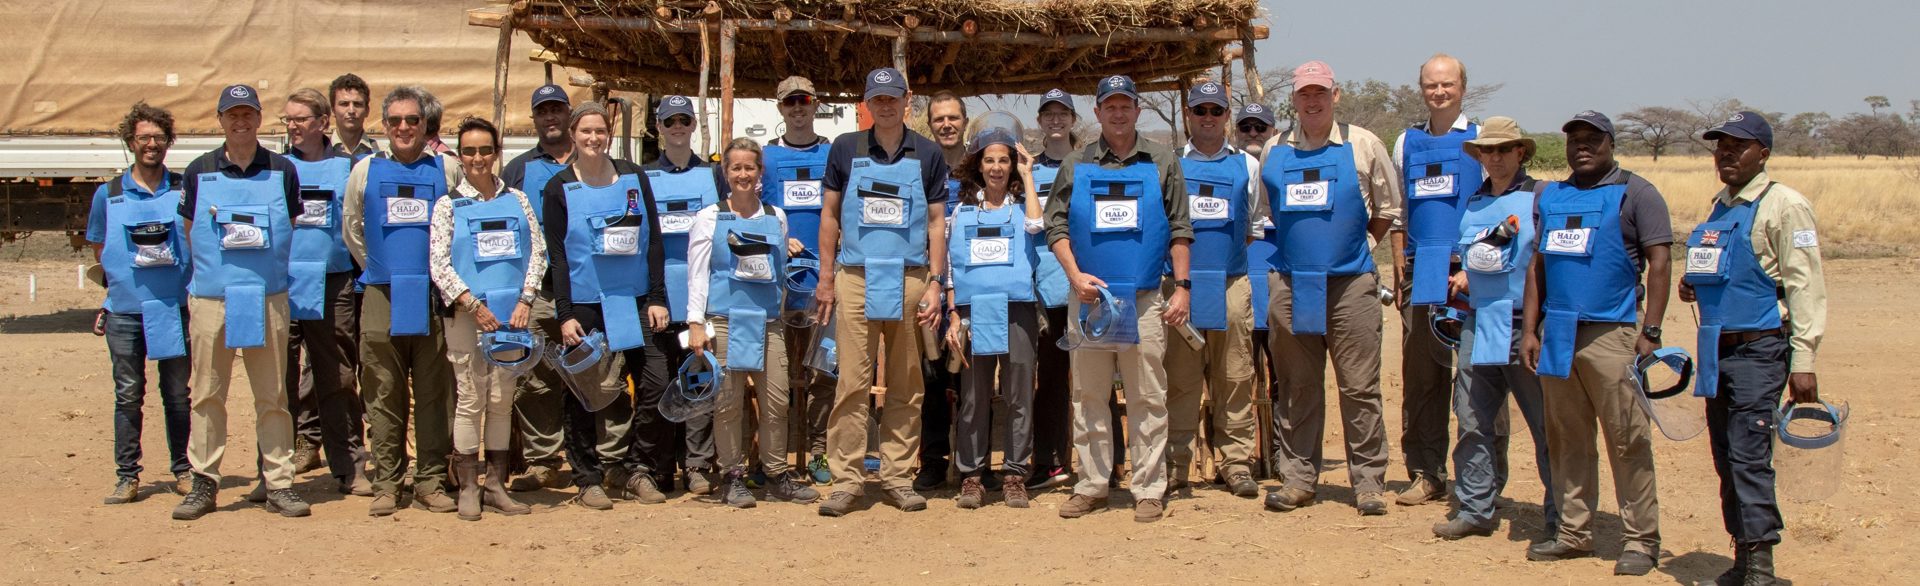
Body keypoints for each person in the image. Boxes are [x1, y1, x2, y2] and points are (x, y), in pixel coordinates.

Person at [1520, 110, 1672, 576]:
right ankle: (1573, 531)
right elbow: (1538, 267)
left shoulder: (1637, 193)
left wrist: (1651, 331)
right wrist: (1530, 330)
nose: (1582, 147)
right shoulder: (1551, 195)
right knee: (1566, 438)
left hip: (1614, 332)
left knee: (1627, 439)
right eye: (1575, 140)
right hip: (1558, 333)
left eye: (1593, 139)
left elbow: (1661, 262)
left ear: (1611, 144)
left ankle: (1640, 540)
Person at [1683, 112, 1827, 585]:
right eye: (1720, 146)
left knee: (1748, 458)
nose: (1725, 153)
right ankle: (1743, 561)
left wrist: (1803, 360)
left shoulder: (1786, 205)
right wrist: (1694, 284)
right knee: (1725, 458)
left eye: (1738, 146)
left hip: (1760, 351)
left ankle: (1762, 569)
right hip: (1716, 350)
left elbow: (1805, 287)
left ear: (1762, 154)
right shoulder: (1720, 206)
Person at [1043, 74, 1190, 523]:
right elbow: (1055, 225)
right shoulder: (1076, 163)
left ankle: (1149, 489)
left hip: (1143, 299)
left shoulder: (1162, 160)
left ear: (1137, 110)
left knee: (1148, 395)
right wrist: (1074, 276)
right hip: (1090, 300)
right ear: (1098, 112)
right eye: (1111, 106)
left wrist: (1182, 287)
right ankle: (1091, 485)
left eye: (1126, 105)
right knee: (1089, 395)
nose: (1119, 113)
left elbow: (1181, 228)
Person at [1259, 61, 1401, 516]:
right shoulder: (1274, 149)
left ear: (1335, 96)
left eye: (1320, 92)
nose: (1312, 101)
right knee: (1298, 386)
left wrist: (1365, 244)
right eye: (1304, 94)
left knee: (1359, 386)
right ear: (1294, 99)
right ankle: (1298, 480)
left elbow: (1388, 208)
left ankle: (1369, 484)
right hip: (1292, 283)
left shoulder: (1364, 144)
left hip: (1350, 285)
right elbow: (1265, 213)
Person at [814, 67, 950, 517]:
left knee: (907, 384)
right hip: (856, 277)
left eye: (893, 98)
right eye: (878, 99)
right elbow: (829, 216)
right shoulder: (845, 148)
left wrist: (936, 281)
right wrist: (826, 278)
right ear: (868, 103)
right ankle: (847, 482)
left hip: (910, 279)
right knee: (851, 383)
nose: (886, 106)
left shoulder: (928, 153)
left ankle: (896, 477)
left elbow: (936, 223)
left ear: (907, 101)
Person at [171, 84, 307, 520]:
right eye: (233, 115)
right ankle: (204, 482)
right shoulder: (199, 171)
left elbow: (290, 222)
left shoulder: (283, 170)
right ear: (221, 120)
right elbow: (190, 230)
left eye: (248, 114)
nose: (241, 122)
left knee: (273, 395)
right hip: (213, 301)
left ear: (260, 119)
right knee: (207, 394)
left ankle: (279, 483)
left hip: (268, 299)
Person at [1430, 116, 1557, 541]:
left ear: (1521, 152)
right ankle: (1475, 508)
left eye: (1504, 149)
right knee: (1472, 419)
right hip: (1479, 322)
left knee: (1546, 425)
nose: (1496, 157)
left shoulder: (1542, 197)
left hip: (1527, 326)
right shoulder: (1475, 202)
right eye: (1488, 150)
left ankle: (1561, 516)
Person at [342, 85, 464, 516]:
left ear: (425, 124)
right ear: (384, 125)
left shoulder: (447, 169)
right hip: (382, 294)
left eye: (413, 120)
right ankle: (387, 483)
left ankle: (430, 481)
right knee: (382, 390)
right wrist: (378, 267)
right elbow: (352, 227)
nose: (404, 127)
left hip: (433, 296)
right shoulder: (364, 170)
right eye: (395, 120)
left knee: (434, 392)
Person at [541, 101, 666, 511]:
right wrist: (564, 314)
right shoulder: (559, 188)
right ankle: (587, 477)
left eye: (599, 131)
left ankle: (635, 468)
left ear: (608, 134)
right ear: (573, 135)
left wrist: (657, 297)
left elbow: (653, 240)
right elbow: (558, 257)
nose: (593, 138)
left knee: (655, 381)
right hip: (585, 303)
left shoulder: (633, 176)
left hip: (633, 299)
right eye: (585, 131)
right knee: (584, 393)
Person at [684, 137, 823, 508]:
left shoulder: (777, 217)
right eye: (736, 168)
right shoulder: (709, 217)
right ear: (726, 172)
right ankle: (732, 477)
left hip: (767, 323)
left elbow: (777, 269)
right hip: (723, 321)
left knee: (776, 401)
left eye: (750, 167)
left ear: (760, 172)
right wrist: (696, 322)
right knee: (727, 404)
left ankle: (776, 475)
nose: (743, 174)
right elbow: (697, 274)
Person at [428, 117, 541, 521]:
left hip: (511, 315)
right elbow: (439, 263)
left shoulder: (518, 200)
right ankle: (468, 487)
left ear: (497, 153)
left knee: (501, 399)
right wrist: (472, 305)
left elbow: (537, 251)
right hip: (468, 317)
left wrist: (526, 299)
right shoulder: (448, 205)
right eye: (469, 151)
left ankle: (495, 485)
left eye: (485, 150)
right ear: (460, 155)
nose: (477, 158)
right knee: (471, 398)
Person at [1390, 54, 1482, 507]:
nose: (1439, 92)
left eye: (1447, 84)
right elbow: (1398, 211)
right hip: (1421, 267)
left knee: (1477, 374)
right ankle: (1426, 472)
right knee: (1423, 374)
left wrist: (1476, 266)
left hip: (1473, 270)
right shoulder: (1406, 142)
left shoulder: (1482, 139)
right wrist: (1398, 265)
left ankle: (1479, 481)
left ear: (1463, 87)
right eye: (1431, 85)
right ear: (1421, 88)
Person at [1164, 81, 1263, 498]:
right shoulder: (1169, 163)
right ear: (1188, 115)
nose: (1208, 118)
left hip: (1230, 283)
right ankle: (1175, 466)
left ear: (1227, 116)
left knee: (1234, 375)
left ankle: (1236, 464)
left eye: (1216, 111)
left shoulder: (1247, 166)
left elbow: (1252, 227)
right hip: (1180, 287)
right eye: (1200, 110)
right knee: (1180, 378)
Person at [90, 102, 193, 505]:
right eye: (143, 137)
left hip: (173, 308)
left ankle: (183, 470)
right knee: (128, 395)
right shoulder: (108, 194)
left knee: (178, 395)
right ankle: (127, 476)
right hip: (125, 313)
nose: (152, 144)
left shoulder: (185, 189)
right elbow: (100, 247)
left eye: (159, 137)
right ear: (130, 141)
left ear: (169, 141)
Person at [626, 95, 724, 500]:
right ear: (659, 127)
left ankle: (697, 466)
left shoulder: (713, 174)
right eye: (670, 121)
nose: (678, 126)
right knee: (658, 385)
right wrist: (654, 295)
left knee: (699, 380)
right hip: (658, 299)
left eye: (685, 119)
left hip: (701, 298)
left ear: (694, 125)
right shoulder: (643, 176)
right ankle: (658, 467)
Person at [277, 87, 372, 499]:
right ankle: (274, 471)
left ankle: (349, 467)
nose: (293, 126)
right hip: (282, 284)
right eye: (288, 119)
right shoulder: (276, 169)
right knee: (279, 379)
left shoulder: (348, 167)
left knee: (338, 376)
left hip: (334, 282)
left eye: (301, 119)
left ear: (322, 122)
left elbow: (360, 222)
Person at [943, 127, 1044, 509]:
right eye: (990, 160)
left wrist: (1028, 174)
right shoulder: (962, 212)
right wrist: (954, 314)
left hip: (1018, 308)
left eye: (1004, 160)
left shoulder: (1024, 208)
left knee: (1019, 395)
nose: (997, 167)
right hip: (974, 311)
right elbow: (951, 269)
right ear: (979, 166)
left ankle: (1015, 474)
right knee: (974, 396)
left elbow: (1037, 226)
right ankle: (972, 475)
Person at [499, 83, 578, 493]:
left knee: (592, 372)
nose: (550, 117)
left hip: (584, 290)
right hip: (538, 293)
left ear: (569, 113)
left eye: (557, 109)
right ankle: (544, 460)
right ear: (534, 119)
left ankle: (593, 459)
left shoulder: (592, 160)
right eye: (543, 111)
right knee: (537, 378)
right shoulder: (518, 169)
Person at [759, 76, 837, 486]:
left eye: (804, 100)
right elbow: (750, 211)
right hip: (777, 283)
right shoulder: (765, 157)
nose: (798, 108)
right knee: (776, 373)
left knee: (824, 369)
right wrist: (778, 235)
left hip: (824, 279)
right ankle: (771, 456)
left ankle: (820, 451)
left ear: (816, 103)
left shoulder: (833, 153)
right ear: (780, 108)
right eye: (790, 102)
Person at [916, 90, 971, 492]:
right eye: (939, 119)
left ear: (964, 121)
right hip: (931, 280)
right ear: (930, 124)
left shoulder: (982, 164)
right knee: (931, 375)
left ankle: (972, 463)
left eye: (953, 117)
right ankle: (933, 461)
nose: (947, 125)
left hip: (973, 281)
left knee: (972, 375)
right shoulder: (921, 167)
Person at [1025, 88, 1079, 491]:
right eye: (1049, 114)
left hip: (1086, 288)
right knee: (1051, 381)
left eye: (1063, 114)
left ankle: (1107, 465)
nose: (1056, 120)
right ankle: (1049, 464)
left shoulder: (1091, 162)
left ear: (1073, 120)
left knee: (1096, 382)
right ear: (1040, 121)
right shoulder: (1027, 169)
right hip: (1046, 291)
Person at [328, 74, 378, 160]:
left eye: (357, 104)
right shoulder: (319, 153)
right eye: (344, 104)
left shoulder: (382, 153)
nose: (351, 111)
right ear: (333, 110)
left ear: (367, 110)